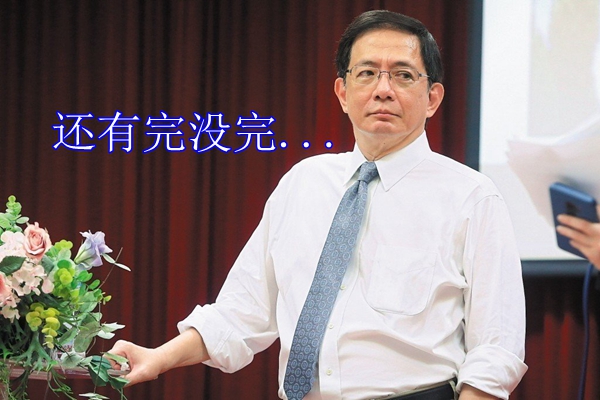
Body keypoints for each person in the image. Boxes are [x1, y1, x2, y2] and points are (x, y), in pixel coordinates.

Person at [109, 10, 527, 400]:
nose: (383, 90)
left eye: (403, 75)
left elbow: (497, 347)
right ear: (343, 92)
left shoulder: (471, 196)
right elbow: (241, 312)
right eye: (367, 73)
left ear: (432, 98)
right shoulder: (302, 182)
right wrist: (158, 357)